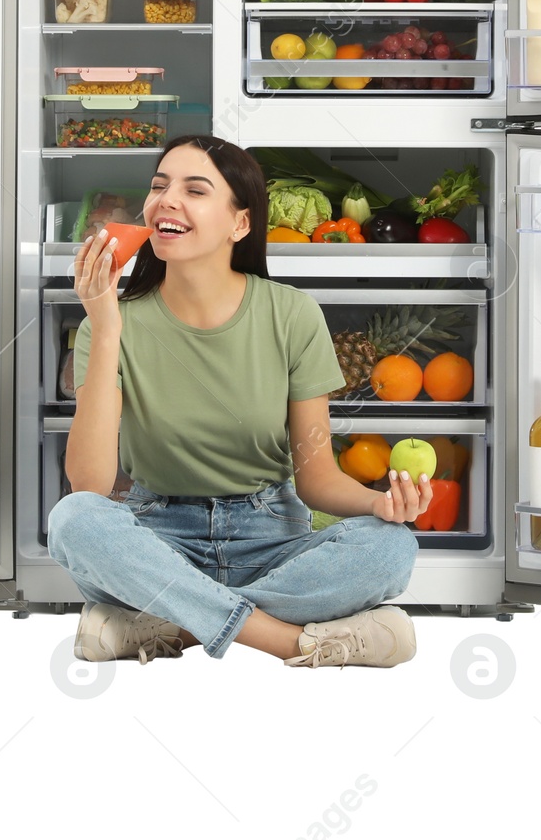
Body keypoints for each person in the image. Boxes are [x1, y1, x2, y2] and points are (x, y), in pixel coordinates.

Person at [47, 134, 427, 667]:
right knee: (74, 520)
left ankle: (166, 628)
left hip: (272, 539)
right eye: (159, 186)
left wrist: (378, 503)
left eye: (194, 190)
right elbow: (89, 483)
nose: (166, 200)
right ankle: (293, 642)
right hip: (157, 537)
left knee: (392, 547)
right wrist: (106, 326)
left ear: (240, 224)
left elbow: (315, 479)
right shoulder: (110, 323)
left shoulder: (291, 314)